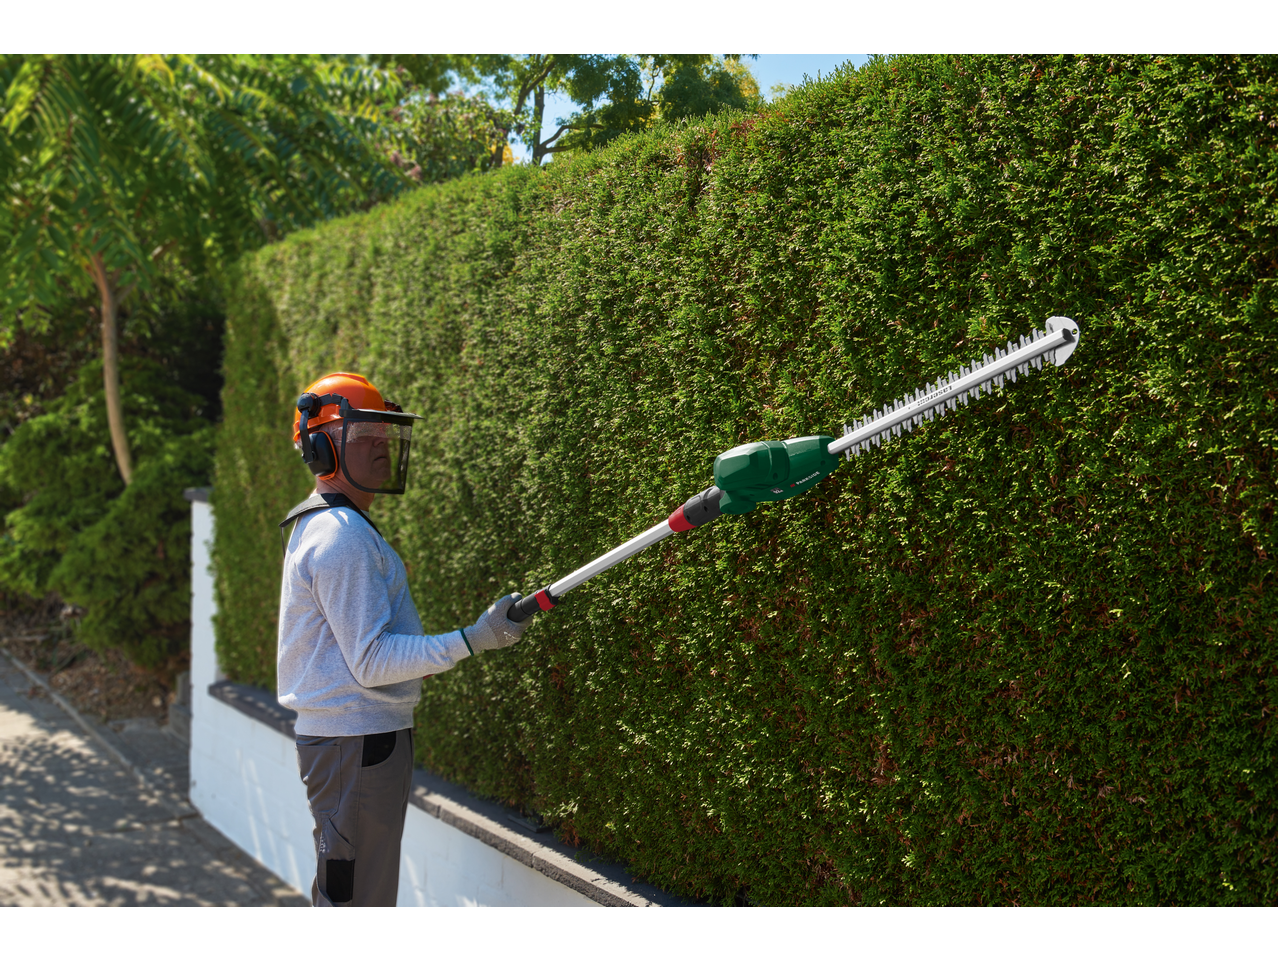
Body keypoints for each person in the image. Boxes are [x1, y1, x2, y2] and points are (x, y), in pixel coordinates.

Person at [277, 372, 529, 907]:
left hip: (355, 745)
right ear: (322, 448)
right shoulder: (341, 538)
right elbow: (371, 661)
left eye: (384, 435)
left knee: (352, 892)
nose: (382, 448)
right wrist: (474, 639)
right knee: (357, 898)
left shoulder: (330, 525)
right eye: (364, 437)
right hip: (356, 746)